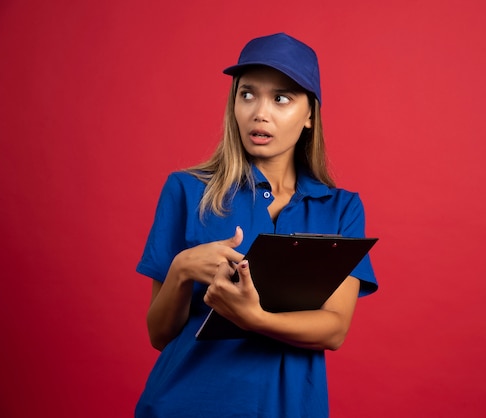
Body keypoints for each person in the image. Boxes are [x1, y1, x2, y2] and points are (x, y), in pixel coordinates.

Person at [135, 32, 378, 418]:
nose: (259, 112)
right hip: (184, 403)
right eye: (247, 94)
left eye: (281, 98)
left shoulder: (341, 208)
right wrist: (182, 269)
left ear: (310, 114)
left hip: (290, 408)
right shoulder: (186, 190)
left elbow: (333, 330)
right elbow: (159, 335)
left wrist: (254, 318)